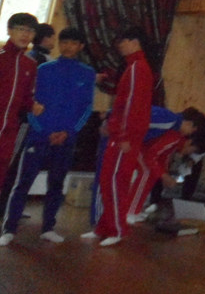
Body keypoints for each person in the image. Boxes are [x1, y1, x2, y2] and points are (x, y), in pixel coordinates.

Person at [0, 27, 95, 246]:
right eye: (64, 42)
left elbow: (86, 107)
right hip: (39, 136)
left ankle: (48, 228)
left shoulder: (87, 73)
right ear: (59, 44)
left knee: (57, 184)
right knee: (22, 183)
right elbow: (30, 103)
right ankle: (9, 228)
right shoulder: (43, 69)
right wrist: (43, 130)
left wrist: (68, 132)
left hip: (66, 139)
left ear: (80, 46)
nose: (68, 47)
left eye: (73, 43)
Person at [88, 26, 154, 246]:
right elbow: (122, 104)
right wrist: (111, 124)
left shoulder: (137, 68)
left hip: (126, 137)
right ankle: (104, 227)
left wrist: (124, 135)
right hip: (121, 134)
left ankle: (117, 230)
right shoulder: (132, 67)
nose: (120, 46)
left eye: (122, 42)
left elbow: (133, 105)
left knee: (115, 182)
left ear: (134, 42)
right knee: (108, 180)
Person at [125, 106, 205, 221]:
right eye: (191, 150)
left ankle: (135, 209)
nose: (188, 153)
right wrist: (164, 175)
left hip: (141, 147)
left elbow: (163, 158)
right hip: (136, 145)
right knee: (146, 173)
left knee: (152, 175)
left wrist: (163, 174)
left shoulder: (176, 139)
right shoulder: (175, 135)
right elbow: (151, 156)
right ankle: (130, 211)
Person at [0, 13, 39, 188]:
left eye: (30, 31)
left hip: (9, 131)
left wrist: (32, 106)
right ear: (9, 30)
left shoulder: (30, 64)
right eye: (21, 29)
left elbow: (25, 98)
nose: (25, 34)